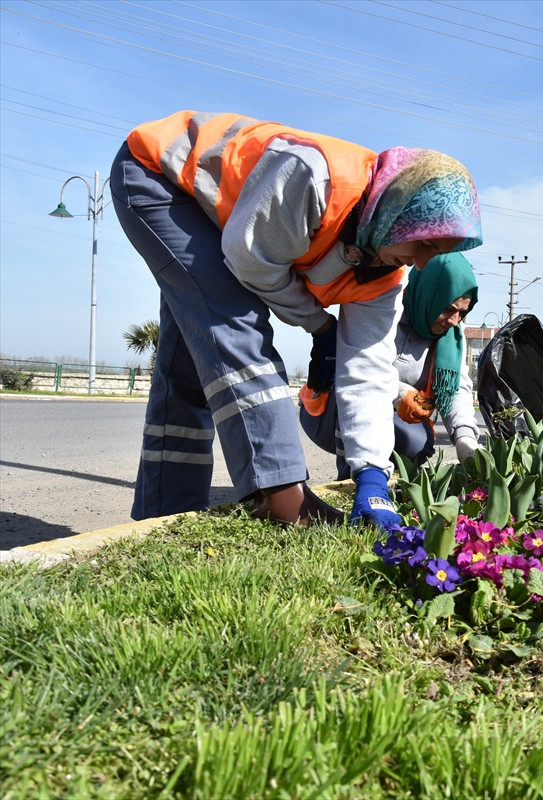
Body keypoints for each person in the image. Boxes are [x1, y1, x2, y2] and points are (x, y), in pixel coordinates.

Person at [111, 110, 482, 529]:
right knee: (233, 320)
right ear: (397, 211)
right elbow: (254, 266)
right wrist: (320, 326)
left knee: (191, 358)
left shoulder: (385, 271)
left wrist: (372, 474)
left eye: (437, 252)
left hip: (228, 219)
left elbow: (368, 369)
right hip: (159, 174)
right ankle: (283, 497)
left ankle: (167, 510)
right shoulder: (314, 179)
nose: (423, 263)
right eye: (425, 244)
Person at [299, 252, 483, 477]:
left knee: (418, 442)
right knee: (354, 389)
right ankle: (350, 475)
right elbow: (354, 363)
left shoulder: (451, 338)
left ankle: (385, 475)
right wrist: (397, 392)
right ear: (429, 294)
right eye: (448, 309)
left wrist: (465, 437)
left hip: (394, 421)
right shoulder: (384, 308)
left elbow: (456, 389)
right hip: (329, 414)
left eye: (462, 312)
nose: (454, 321)